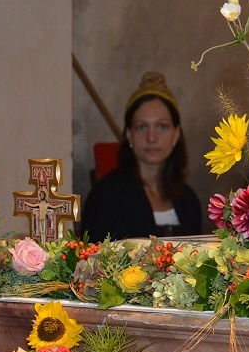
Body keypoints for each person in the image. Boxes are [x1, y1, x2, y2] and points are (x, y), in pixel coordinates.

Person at [81, 72, 202, 241]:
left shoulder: (188, 200)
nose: (151, 138)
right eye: (142, 127)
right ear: (129, 135)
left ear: (176, 135)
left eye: (162, 126)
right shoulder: (105, 197)